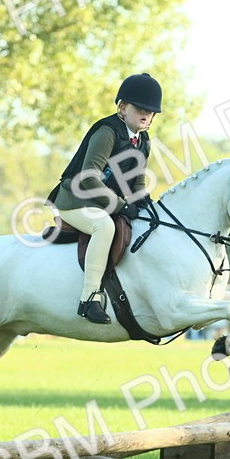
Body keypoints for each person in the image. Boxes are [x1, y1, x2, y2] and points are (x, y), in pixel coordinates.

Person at [50, 73, 160, 324]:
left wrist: (145, 205)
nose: (147, 115)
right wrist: (122, 205)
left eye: (151, 112)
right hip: (74, 198)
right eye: (141, 108)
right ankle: (89, 298)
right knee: (104, 225)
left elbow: (137, 183)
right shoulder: (107, 131)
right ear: (122, 107)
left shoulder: (143, 140)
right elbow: (89, 178)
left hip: (101, 202)